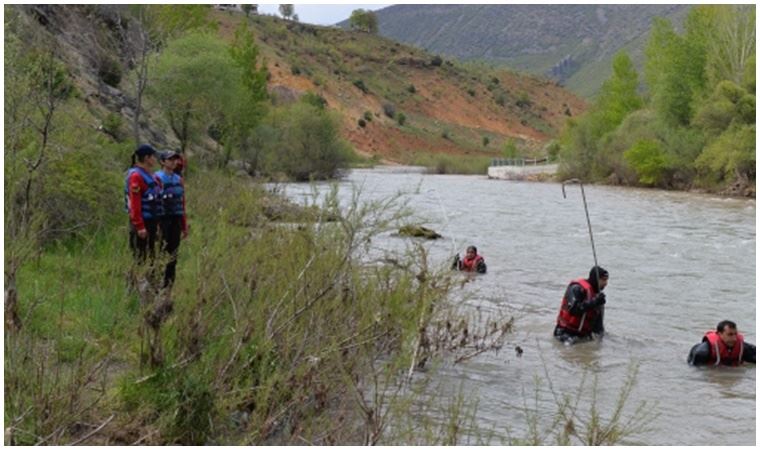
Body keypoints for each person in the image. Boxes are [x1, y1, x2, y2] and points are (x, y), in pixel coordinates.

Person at [125, 144, 162, 267]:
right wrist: (140, 226)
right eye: (153, 157)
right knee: (140, 257)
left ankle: (150, 284)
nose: (155, 159)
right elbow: (135, 204)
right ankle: (136, 284)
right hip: (142, 223)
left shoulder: (151, 175)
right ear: (147, 158)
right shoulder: (136, 176)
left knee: (151, 255)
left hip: (152, 221)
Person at [155, 150, 188, 289]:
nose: (174, 162)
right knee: (159, 252)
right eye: (170, 159)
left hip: (176, 219)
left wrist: (184, 226)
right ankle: (155, 282)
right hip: (162, 220)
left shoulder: (178, 179)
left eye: (175, 159)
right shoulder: (156, 178)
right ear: (162, 161)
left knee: (173, 254)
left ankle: (168, 286)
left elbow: (182, 202)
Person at [554, 266, 608, 344]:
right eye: (603, 280)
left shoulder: (598, 299)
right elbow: (573, 310)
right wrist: (594, 302)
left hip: (582, 335)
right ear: (596, 279)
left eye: (606, 280)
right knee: (570, 350)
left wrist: (600, 341)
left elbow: (599, 328)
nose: (606, 283)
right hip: (564, 333)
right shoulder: (576, 288)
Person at [687, 320, 756, 366]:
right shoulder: (702, 352)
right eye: (730, 334)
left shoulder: (743, 347)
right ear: (719, 334)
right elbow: (695, 373)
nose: (734, 338)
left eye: (735, 334)